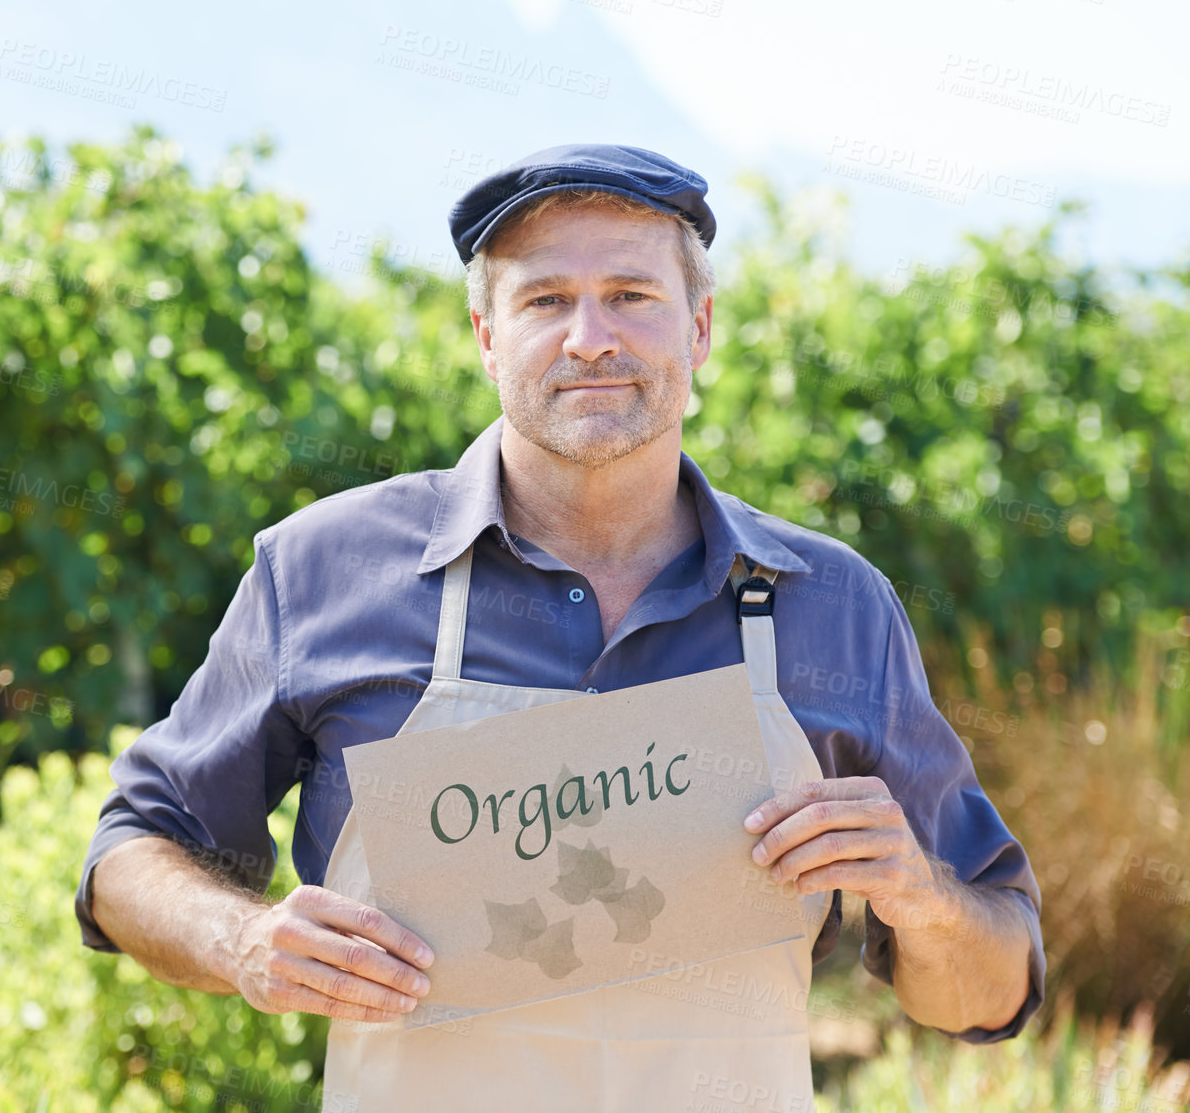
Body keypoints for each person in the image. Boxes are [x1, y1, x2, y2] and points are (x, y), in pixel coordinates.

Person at [75, 143, 1044, 1110]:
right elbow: (131, 852)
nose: (590, 337)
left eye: (632, 294)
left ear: (699, 327)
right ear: (485, 335)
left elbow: (991, 988)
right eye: (545, 300)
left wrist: (918, 895)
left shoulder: (833, 605)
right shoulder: (325, 571)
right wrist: (244, 942)